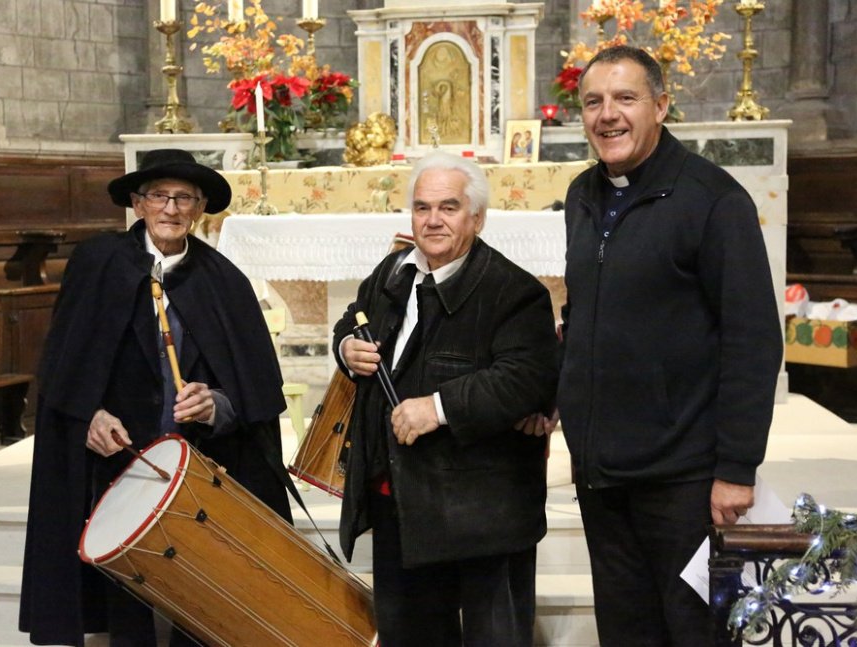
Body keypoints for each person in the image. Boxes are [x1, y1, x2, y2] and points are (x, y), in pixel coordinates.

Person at [18, 149, 291, 647]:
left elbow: (254, 390)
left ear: (200, 208)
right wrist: (89, 417)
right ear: (138, 203)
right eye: (159, 196)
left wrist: (217, 404)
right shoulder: (97, 263)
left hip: (195, 464)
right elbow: (64, 364)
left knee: (201, 596)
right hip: (117, 459)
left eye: (184, 198)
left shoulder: (223, 281)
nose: (171, 208)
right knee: (127, 607)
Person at [557, 45, 783, 645]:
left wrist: (736, 468)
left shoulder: (713, 200)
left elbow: (753, 339)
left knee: (694, 633)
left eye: (625, 98)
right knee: (626, 632)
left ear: (660, 106)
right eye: (593, 102)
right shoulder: (582, 196)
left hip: (685, 480)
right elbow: (585, 311)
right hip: (603, 474)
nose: (608, 115)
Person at [333, 150, 559, 646]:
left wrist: (437, 408)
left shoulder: (513, 291)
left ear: (476, 218)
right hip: (399, 502)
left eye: (448, 207)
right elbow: (352, 319)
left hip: (481, 515)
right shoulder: (391, 273)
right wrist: (346, 348)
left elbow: (526, 378)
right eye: (422, 207)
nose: (432, 220)